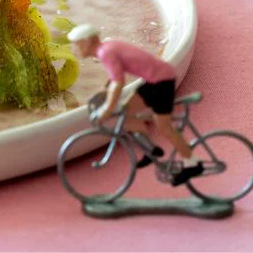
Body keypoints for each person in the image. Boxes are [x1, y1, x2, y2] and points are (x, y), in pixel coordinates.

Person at [67, 24, 203, 186]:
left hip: (161, 81)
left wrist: (107, 108)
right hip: (153, 79)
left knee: (164, 127)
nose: (74, 48)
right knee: (127, 112)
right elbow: (115, 76)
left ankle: (193, 163)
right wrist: (107, 91)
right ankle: (150, 150)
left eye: (77, 43)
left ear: (88, 42)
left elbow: (118, 83)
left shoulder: (105, 53)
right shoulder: (107, 48)